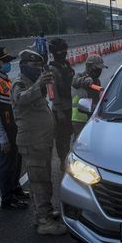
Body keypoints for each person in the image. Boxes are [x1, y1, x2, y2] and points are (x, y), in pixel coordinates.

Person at [11, 49, 66, 235]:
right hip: (32, 141)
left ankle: (44, 212)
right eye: (34, 66)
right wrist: (38, 85)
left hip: (42, 140)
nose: (38, 70)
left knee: (44, 179)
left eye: (39, 67)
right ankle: (44, 222)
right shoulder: (20, 83)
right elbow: (20, 99)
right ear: (23, 66)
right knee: (39, 182)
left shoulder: (34, 83)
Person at [0, 47, 30, 210]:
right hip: (4, 130)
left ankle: (16, 188)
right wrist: (2, 138)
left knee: (16, 160)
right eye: (6, 61)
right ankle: (7, 199)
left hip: (13, 127)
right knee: (7, 163)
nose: (9, 63)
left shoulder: (4, 78)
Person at [48, 38, 75, 172]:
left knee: (69, 134)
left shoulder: (65, 64)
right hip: (60, 108)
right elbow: (52, 92)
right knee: (61, 136)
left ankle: (68, 157)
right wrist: (58, 110)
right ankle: (63, 160)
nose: (64, 53)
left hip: (70, 105)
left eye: (65, 50)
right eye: (61, 51)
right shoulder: (51, 69)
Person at [71, 54, 107, 137]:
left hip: (92, 117)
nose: (99, 71)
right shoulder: (79, 76)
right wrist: (84, 80)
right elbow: (75, 82)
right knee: (80, 142)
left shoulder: (97, 80)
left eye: (100, 69)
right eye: (97, 68)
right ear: (90, 67)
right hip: (80, 119)